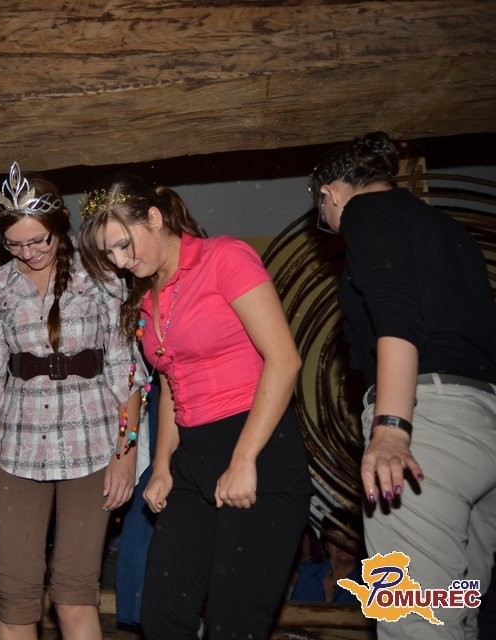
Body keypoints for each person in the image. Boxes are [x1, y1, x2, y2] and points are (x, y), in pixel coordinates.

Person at [76, 172, 312, 640]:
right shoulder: (148, 296)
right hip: (192, 458)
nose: (120, 261)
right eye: (109, 254)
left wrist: (244, 460)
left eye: (123, 244)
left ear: (155, 217)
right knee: (161, 617)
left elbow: (285, 360)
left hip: (257, 446)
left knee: (233, 624)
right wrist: (163, 465)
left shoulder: (225, 257)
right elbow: (169, 379)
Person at [309, 131, 496, 638]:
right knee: (458, 613)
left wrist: (392, 428)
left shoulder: (364, 212)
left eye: (322, 211)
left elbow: (395, 313)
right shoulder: (448, 229)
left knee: (414, 619)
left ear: (329, 192)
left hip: (429, 431)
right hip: (483, 428)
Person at [0, 162, 144, 640]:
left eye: (38, 240)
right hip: (17, 452)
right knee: (15, 596)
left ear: (60, 225)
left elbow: (128, 373)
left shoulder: (101, 275)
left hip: (92, 448)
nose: (29, 252)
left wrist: (126, 455)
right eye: (15, 244)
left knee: (74, 594)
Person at [290, 508, 364, 604]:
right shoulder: (308, 574)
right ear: (325, 544)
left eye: (349, 537)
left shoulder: (369, 581)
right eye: (335, 537)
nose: (342, 542)